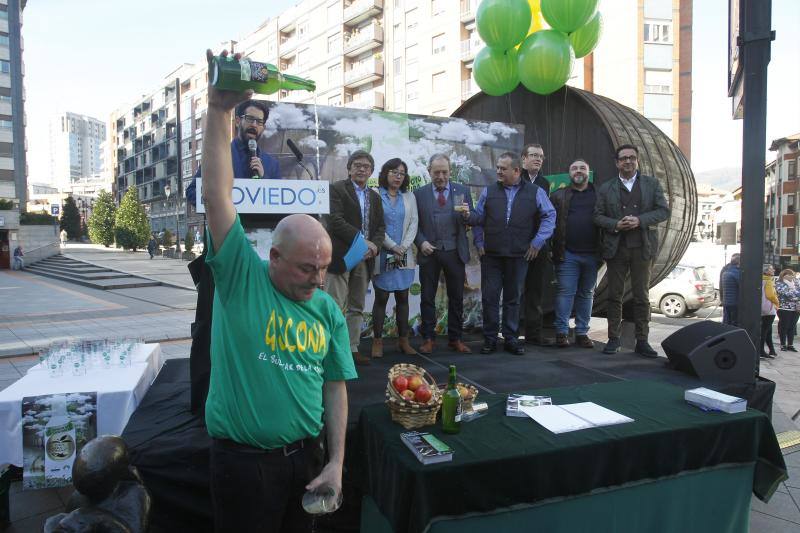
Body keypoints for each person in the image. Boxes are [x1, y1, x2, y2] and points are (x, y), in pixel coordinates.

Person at [198, 49, 357, 533]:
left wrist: (336, 462)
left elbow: (335, 385)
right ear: (274, 257)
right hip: (244, 467)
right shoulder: (241, 277)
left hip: (304, 464)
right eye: (308, 269)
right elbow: (216, 196)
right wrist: (219, 111)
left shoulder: (327, 310)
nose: (318, 279)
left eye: (325, 268)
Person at [465, 152, 555, 355]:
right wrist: (479, 241)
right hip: (492, 255)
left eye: (502, 168)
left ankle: (511, 339)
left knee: (513, 298)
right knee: (490, 297)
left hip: (519, 255)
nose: (498, 171)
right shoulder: (488, 192)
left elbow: (550, 215)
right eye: (497, 167)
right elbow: (479, 218)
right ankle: (489, 339)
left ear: (516, 171)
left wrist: (537, 242)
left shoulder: (536, 192)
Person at [593, 144, 669, 357]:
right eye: (624, 158)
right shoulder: (607, 188)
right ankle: (613, 339)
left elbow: (663, 211)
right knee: (614, 295)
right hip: (616, 248)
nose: (628, 161)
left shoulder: (651, 184)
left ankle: (642, 340)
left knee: (641, 296)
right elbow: (597, 216)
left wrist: (639, 220)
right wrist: (616, 224)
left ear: (637, 161)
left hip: (642, 247)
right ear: (617, 163)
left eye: (632, 158)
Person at [323, 150, 385, 366]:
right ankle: (329, 350)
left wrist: (374, 246)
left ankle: (351, 348)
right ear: (348, 168)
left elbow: (380, 227)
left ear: (371, 172)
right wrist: (362, 241)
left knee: (356, 306)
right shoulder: (336, 189)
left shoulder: (375, 197)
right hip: (341, 256)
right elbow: (334, 220)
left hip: (365, 258)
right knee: (334, 305)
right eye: (357, 165)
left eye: (366, 166)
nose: (361, 169)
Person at [414, 153, 474, 355]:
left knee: (456, 297)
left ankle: (455, 339)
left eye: (444, 172)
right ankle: (429, 338)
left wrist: (467, 215)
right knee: (427, 297)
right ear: (429, 171)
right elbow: (415, 224)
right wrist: (421, 242)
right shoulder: (419, 194)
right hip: (429, 253)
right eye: (436, 172)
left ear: (450, 172)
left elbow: (471, 218)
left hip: (455, 251)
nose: (441, 176)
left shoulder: (462, 191)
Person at [185, 98, 280, 205]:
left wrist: (264, 179)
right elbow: (192, 191)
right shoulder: (217, 157)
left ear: (263, 127)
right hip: (226, 221)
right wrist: (221, 204)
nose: (254, 124)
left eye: (259, 122)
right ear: (238, 121)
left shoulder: (272, 164)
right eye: (249, 118)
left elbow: (279, 200)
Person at [549, 158, 601, 349]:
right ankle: (562, 333)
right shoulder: (558, 195)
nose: (578, 171)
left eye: (582, 168)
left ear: (588, 172)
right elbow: (547, 222)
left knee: (587, 294)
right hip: (567, 253)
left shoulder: (599, 194)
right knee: (565, 292)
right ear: (569, 173)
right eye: (574, 168)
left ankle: (581, 333)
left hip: (593, 254)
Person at [370, 158, 419, 358]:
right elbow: (374, 224)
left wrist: (404, 246)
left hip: (404, 254)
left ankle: (403, 341)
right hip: (383, 252)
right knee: (381, 297)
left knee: (403, 297)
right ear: (385, 173)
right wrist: (392, 246)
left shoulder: (409, 197)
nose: (398, 176)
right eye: (393, 172)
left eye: (401, 173)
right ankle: (377, 342)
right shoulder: (374, 195)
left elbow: (414, 222)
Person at [519, 144, 554, 346]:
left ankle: (533, 334)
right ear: (523, 159)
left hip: (538, 244)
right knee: (515, 290)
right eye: (533, 155)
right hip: (518, 244)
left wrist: (539, 242)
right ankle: (511, 332)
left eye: (541, 156)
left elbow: (546, 215)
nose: (538, 159)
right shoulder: (516, 178)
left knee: (535, 291)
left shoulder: (544, 183)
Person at [776, 268, 800, 352]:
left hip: (796, 308)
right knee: (784, 326)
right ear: (783, 275)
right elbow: (785, 294)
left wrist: (793, 294)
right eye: (789, 274)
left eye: (792, 274)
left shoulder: (796, 283)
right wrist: (794, 294)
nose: (791, 276)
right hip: (784, 308)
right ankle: (783, 344)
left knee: (792, 327)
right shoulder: (779, 283)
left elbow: (797, 293)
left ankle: (790, 344)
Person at [761, 264, 778, 359]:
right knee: (765, 331)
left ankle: (771, 350)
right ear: (766, 271)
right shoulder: (768, 281)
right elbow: (771, 295)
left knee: (767, 330)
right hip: (769, 308)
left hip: (762, 308)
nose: (773, 270)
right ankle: (761, 351)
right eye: (771, 269)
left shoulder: (760, 279)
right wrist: (777, 302)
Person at [720, 254, 741, 326]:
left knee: (727, 322)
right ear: (739, 262)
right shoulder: (736, 273)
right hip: (735, 302)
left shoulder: (726, 271)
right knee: (734, 323)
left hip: (726, 301)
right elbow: (743, 285)